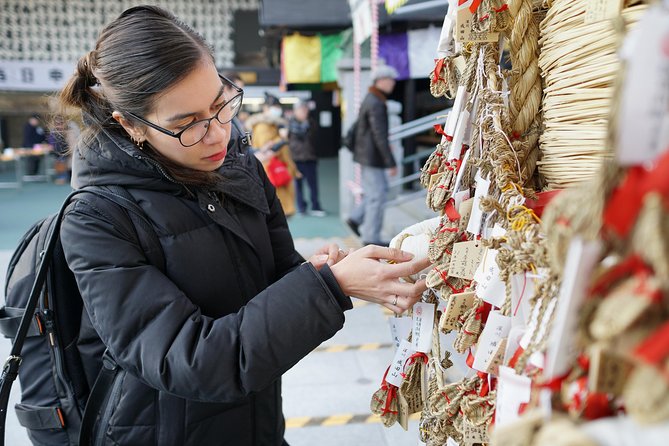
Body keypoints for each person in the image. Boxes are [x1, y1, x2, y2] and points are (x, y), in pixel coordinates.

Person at [57, 6, 429, 445]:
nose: (216, 133)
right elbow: (193, 360)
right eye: (187, 124)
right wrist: (328, 287)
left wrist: (323, 273)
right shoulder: (95, 220)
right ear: (131, 126)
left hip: (259, 424)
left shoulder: (240, 168)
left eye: (220, 105)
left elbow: (278, 277)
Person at [347, 65, 399, 246]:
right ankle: (371, 237)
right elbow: (379, 135)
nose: (393, 83)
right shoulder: (376, 102)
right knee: (378, 195)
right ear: (381, 81)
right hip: (372, 157)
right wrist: (390, 162)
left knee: (376, 192)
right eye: (391, 79)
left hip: (367, 155)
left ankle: (356, 218)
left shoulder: (371, 98)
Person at [245, 93, 300, 217]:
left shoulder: (275, 124)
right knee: (277, 210)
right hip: (271, 170)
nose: (277, 110)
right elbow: (266, 148)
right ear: (265, 108)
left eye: (277, 106)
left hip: (277, 168)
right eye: (273, 106)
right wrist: (281, 139)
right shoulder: (263, 126)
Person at [288, 100, 325, 216]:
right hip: (295, 159)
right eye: (301, 110)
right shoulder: (289, 124)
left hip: (310, 158)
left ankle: (315, 206)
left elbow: (316, 139)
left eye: (305, 110)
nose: (303, 112)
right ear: (295, 111)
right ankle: (301, 207)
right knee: (298, 186)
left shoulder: (312, 123)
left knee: (313, 185)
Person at [221, 70, 251, 158]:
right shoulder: (221, 118)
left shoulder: (232, 115)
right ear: (226, 88)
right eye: (238, 90)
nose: (241, 95)